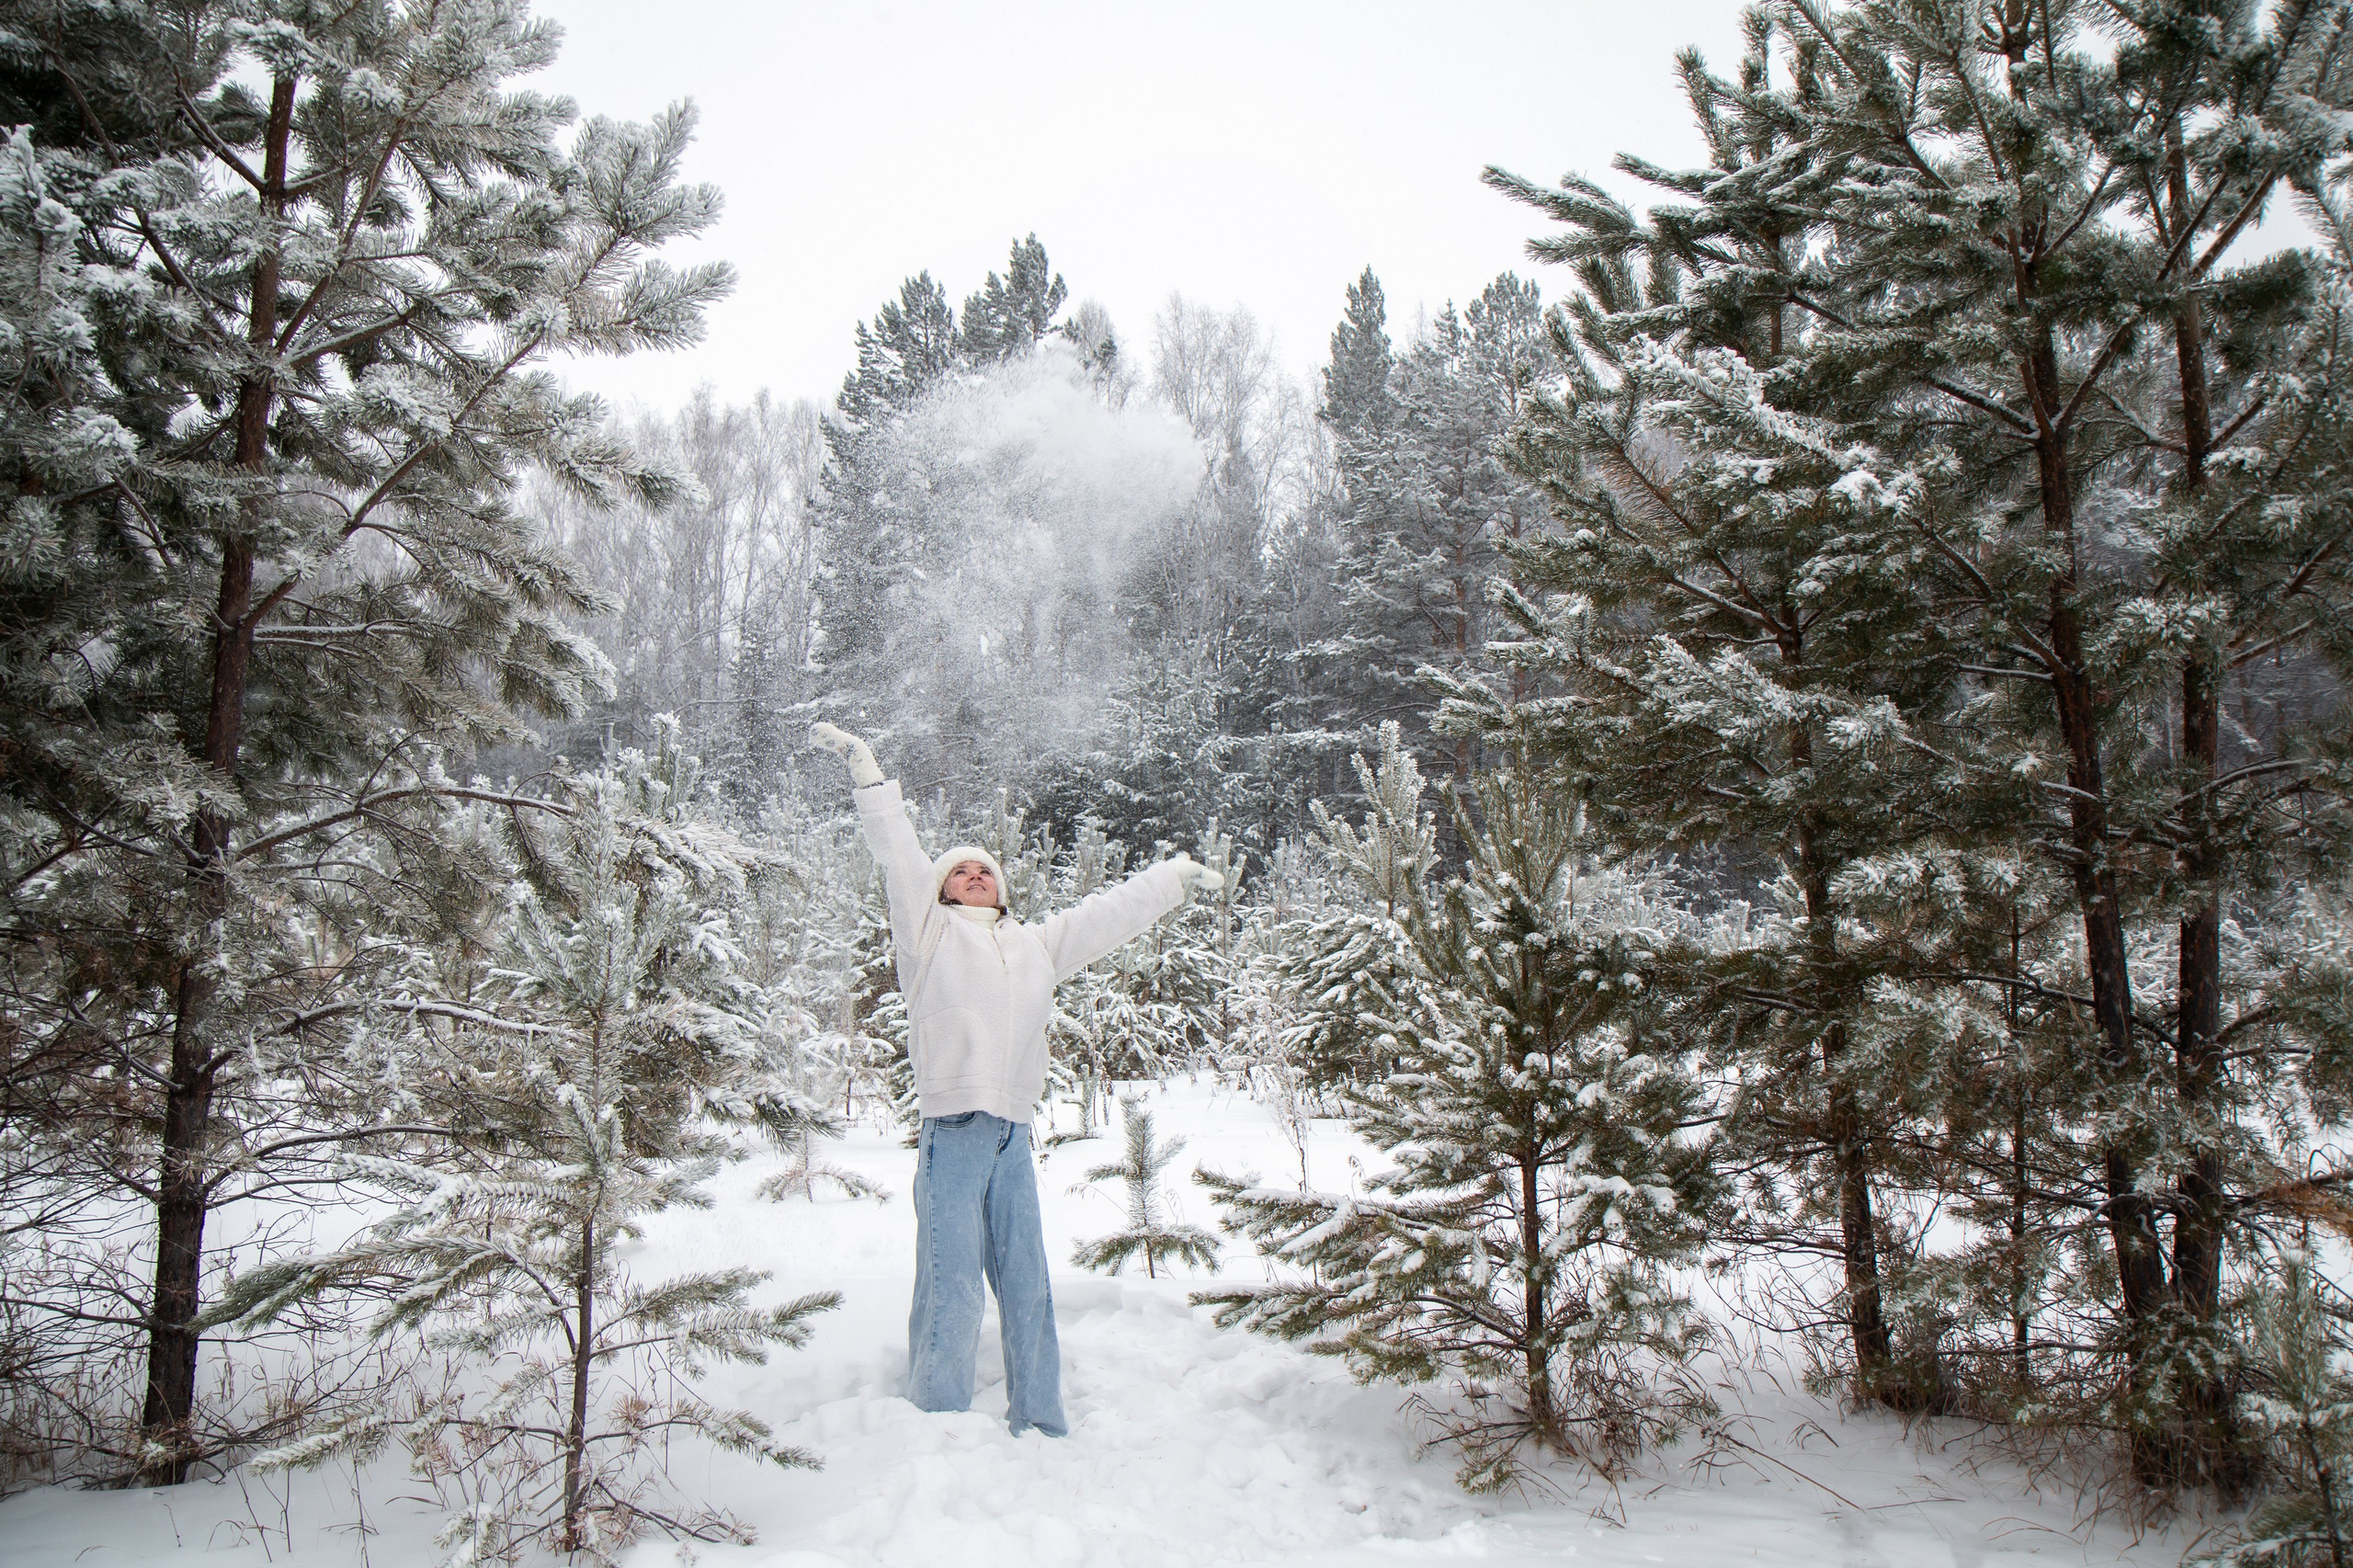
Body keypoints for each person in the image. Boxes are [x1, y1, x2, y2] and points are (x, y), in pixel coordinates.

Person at [809, 722, 1222, 1437]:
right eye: (961, 871)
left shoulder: (1034, 944)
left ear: (1001, 887)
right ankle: (935, 1422)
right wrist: (870, 779)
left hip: (1012, 1136)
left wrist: (1168, 880)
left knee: (1028, 1286)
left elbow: (1106, 915)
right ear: (940, 890)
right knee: (953, 1285)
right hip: (956, 1130)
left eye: (986, 870)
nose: (975, 876)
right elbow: (901, 857)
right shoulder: (929, 935)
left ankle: (1039, 1417)